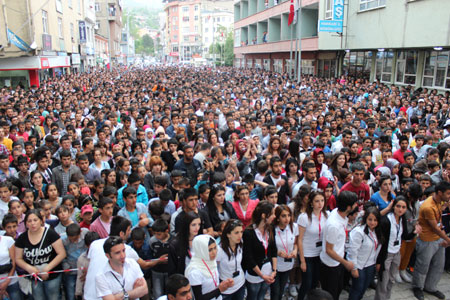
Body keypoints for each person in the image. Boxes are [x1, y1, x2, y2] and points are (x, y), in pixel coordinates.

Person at [15, 209, 67, 300]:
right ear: (26, 224)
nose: (32, 223)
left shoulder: (50, 234)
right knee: (38, 297)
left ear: (41, 221)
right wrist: (29, 268)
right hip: (34, 275)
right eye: (29, 221)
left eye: (35, 220)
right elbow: (18, 258)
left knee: (53, 297)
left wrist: (47, 268)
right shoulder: (22, 238)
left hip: (52, 274)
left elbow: (62, 254)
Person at [412, 181, 450, 300]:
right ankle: (418, 287)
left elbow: (440, 222)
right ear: (440, 193)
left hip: (438, 239)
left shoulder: (439, 201)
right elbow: (434, 228)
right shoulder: (428, 206)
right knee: (423, 266)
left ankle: (431, 287)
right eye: (448, 194)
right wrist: (448, 239)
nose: (449, 196)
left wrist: (444, 237)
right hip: (427, 240)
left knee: (438, 265)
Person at [319, 191, 358, 300]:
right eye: (355, 204)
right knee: (331, 295)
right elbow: (329, 250)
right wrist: (345, 263)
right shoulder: (334, 225)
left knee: (339, 288)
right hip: (330, 266)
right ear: (349, 207)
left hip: (337, 262)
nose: (356, 206)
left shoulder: (339, 213)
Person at [375, 196, 409, 300]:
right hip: (386, 254)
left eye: (403, 207)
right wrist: (379, 261)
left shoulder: (403, 219)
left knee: (391, 279)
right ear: (393, 206)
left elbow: (404, 236)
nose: (400, 209)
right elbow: (382, 242)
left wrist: (415, 233)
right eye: (398, 206)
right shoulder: (386, 220)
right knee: (383, 280)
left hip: (396, 253)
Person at [242, 201, 277, 300]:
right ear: (263, 215)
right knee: (253, 297)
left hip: (268, 272)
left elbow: (273, 250)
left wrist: (274, 270)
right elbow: (249, 258)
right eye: (272, 214)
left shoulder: (271, 229)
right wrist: (262, 275)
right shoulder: (249, 233)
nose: (274, 216)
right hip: (255, 274)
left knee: (261, 296)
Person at [347, 207, 383, 300]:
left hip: (370, 265)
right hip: (359, 265)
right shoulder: (359, 232)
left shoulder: (377, 231)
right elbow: (352, 251)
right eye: (370, 219)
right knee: (357, 289)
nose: (372, 222)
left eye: (375, 220)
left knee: (363, 288)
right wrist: (354, 268)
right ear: (365, 219)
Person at [297, 192, 328, 300]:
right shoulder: (304, 217)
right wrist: (302, 261)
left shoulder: (326, 215)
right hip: (307, 254)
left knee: (315, 282)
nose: (320, 204)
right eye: (317, 201)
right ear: (311, 203)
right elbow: (299, 239)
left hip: (320, 253)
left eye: (322, 200)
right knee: (307, 283)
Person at [185, 234, 234, 300]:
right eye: (210, 250)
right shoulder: (195, 272)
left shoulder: (211, 261)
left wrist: (225, 284)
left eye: (215, 248)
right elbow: (199, 298)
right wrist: (219, 290)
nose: (214, 252)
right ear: (201, 251)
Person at [271, 205, 298, 300]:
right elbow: (268, 247)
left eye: (288, 215)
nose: (287, 219)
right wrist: (277, 252)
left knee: (281, 289)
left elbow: (295, 243)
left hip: (288, 263)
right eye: (283, 216)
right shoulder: (272, 229)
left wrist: (295, 250)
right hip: (275, 264)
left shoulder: (294, 227)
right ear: (277, 218)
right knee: (275, 291)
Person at [217, 219, 246, 300]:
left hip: (240, 283)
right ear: (228, 234)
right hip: (227, 288)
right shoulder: (219, 250)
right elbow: (215, 267)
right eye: (236, 233)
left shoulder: (240, 243)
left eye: (241, 232)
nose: (240, 235)